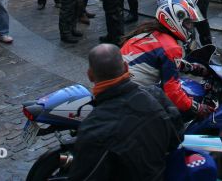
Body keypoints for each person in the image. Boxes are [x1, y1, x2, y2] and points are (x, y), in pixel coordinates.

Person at [67, 44, 183, 180]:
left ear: (90, 75)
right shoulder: (156, 96)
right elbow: (177, 139)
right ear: (126, 67)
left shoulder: (92, 129)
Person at [121, 0, 213, 117]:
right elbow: (173, 92)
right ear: (174, 20)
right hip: (132, 96)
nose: (191, 28)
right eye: (188, 23)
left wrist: (193, 68)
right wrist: (198, 108)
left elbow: (164, 61)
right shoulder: (171, 46)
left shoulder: (151, 31)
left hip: (123, 87)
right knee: (170, 122)